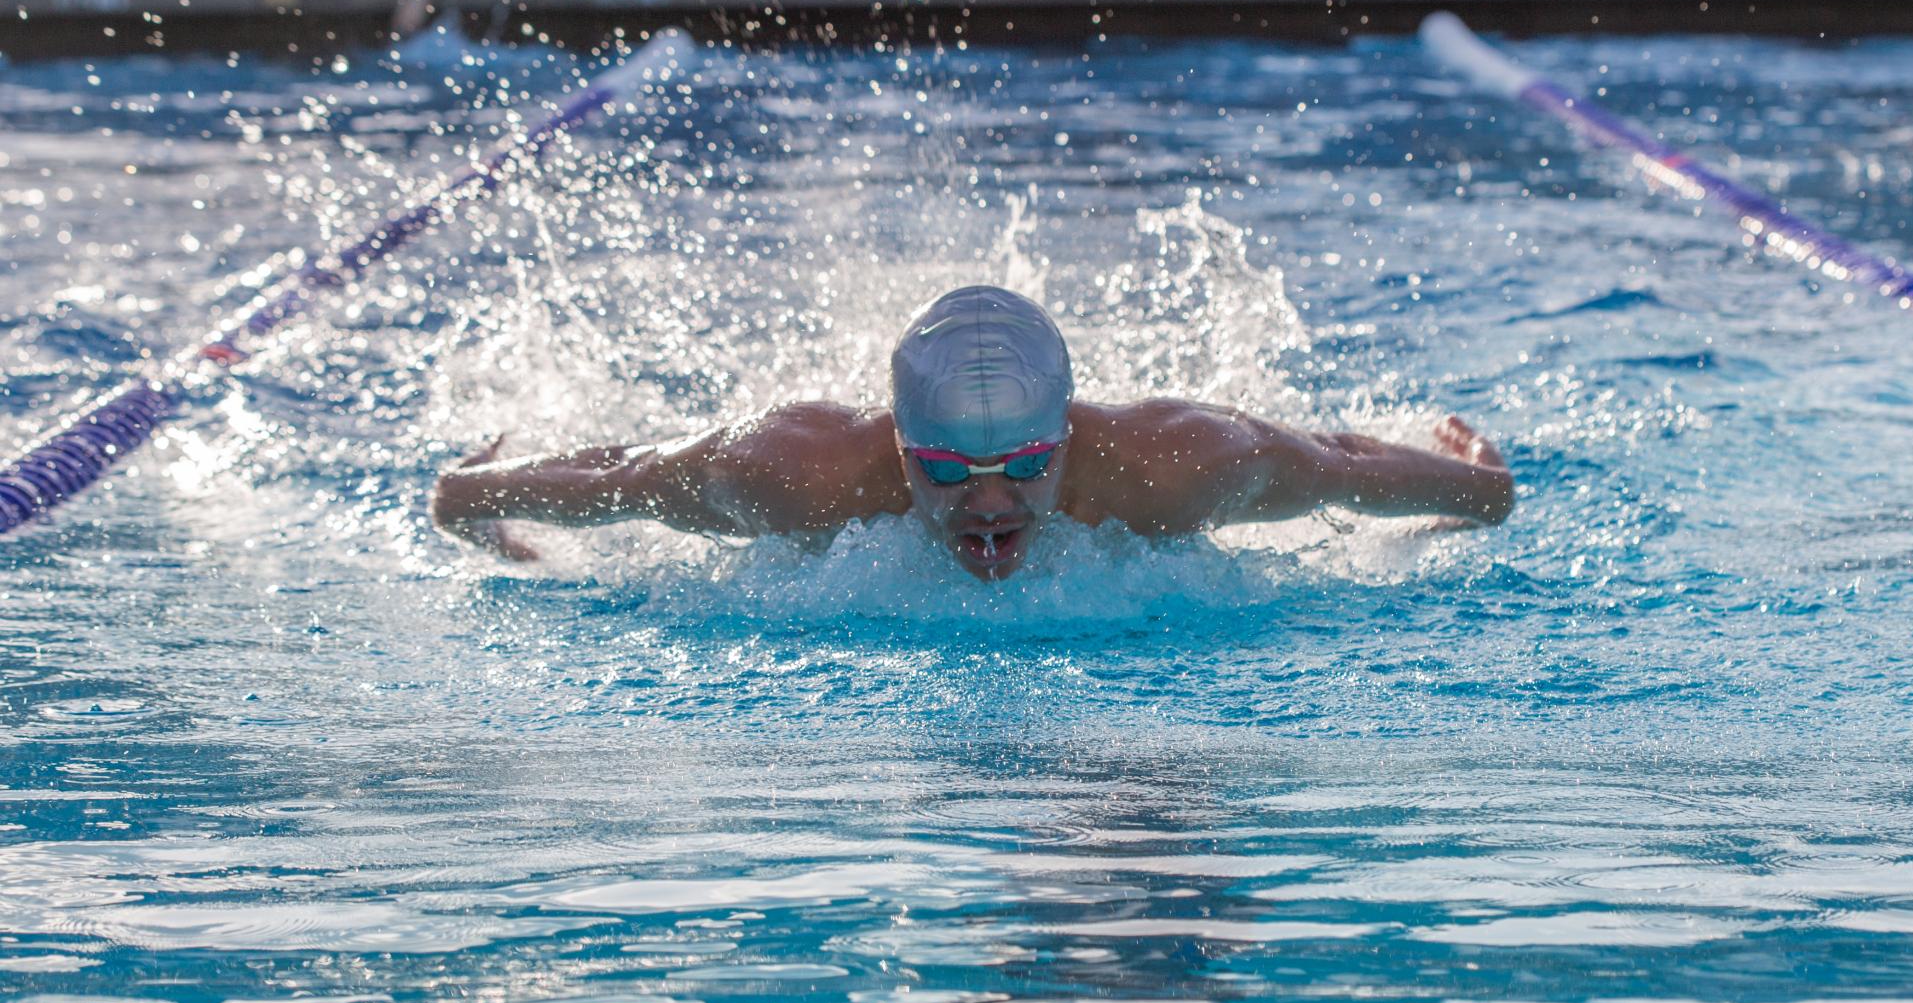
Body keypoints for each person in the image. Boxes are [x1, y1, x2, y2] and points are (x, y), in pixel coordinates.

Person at [432, 285, 1515, 581]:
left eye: (1023, 468)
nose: (990, 503)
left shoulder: (1172, 466)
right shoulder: (797, 475)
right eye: (948, 470)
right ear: (900, 448)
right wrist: (474, 496)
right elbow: (628, 473)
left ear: (1068, 436)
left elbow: (1333, 464)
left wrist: (1476, 490)